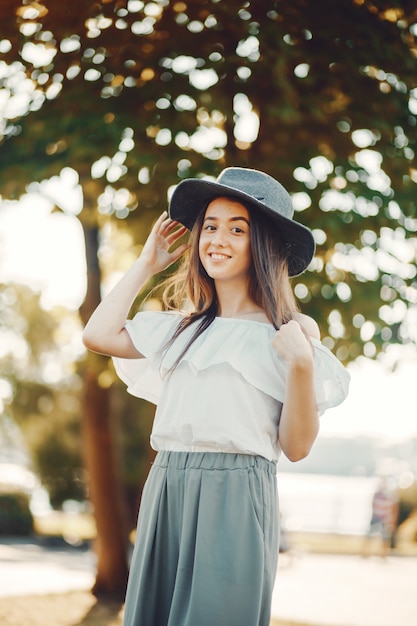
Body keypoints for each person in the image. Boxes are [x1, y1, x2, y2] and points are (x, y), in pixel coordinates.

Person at [83, 167, 350, 626]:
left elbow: (298, 447)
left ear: (262, 243)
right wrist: (147, 263)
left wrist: (302, 365)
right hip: (168, 485)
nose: (217, 239)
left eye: (237, 228)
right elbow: (98, 333)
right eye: (210, 226)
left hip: (238, 491)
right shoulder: (179, 328)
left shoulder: (288, 333)